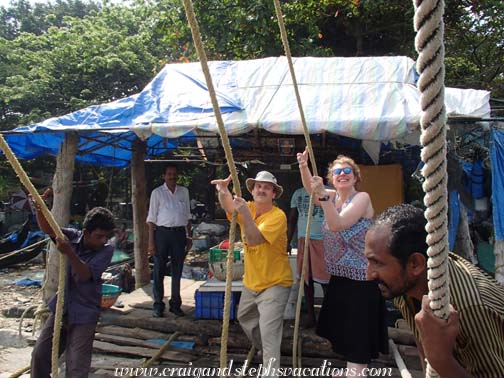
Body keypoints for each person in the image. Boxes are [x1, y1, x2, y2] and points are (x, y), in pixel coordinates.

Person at [365, 204, 504, 378]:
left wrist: (440, 359)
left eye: (377, 263)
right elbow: (425, 347)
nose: (368, 275)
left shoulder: (470, 308)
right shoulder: (406, 285)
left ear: (415, 264)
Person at [297, 148, 388, 376]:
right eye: (337, 171)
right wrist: (303, 166)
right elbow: (311, 189)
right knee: (345, 333)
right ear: (332, 179)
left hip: (362, 280)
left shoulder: (362, 198)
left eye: (348, 171)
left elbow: (338, 224)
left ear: (356, 177)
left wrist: (324, 196)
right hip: (340, 277)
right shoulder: (333, 196)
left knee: (358, 337)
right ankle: (354, 372)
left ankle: (356, 373)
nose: (342, 174)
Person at [211, 171, 293, 375]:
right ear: (253, 190)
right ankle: (266, 349)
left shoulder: (278, 216)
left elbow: (255, 238)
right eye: (258, 186)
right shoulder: (248, 207)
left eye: (267, 187)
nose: (262, 189)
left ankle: (270, 370)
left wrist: (246, 217)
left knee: (268, 332)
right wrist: (223, 191)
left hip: (275, 283)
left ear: (274, 193)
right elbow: (229, 205)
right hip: (252, 282)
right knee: (245, 319)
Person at [31, 197, 115, 378]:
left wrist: (69, 252)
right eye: (99, 236)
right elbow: (49, 229)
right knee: (40, 355)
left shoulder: (106, 250)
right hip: (63, 307)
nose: (103, 240)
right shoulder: (73, 237)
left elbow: (84, 275)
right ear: (86, 232)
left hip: (85, 313)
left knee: (76, 367)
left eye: (106, 236)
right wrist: (40, 208)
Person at [147, 164, 192, 317]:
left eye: (174, 174)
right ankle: (158, 305)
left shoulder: (184, 192)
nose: (172, 176)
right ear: (164, 176)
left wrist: (189, 236)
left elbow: (188, 216)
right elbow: (151, 219)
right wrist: (151, 242)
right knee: (159, 269)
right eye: (169, 174)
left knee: (177, 270)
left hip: (179, 234)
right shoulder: (157, 193)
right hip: (162, 234)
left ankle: (175, 304)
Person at [287, 186, 329, 328]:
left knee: (325, 281)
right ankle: (311, 317)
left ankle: (328, 317)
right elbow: (292, 219)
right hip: (303, 239)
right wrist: (287, 241)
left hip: (324, 240)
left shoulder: (328, 192)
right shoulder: (298, 193)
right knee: (306, 279)